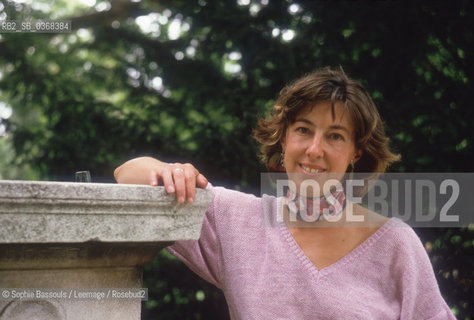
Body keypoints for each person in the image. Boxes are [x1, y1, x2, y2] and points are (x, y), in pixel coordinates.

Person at [114, 68, 456, 319]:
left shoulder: (395, 243)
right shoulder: (236, 220)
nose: (314, 149)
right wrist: (170, 171)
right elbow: (127, 174)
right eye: (304, 130)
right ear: (284, 139)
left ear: (356, 152)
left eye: (335, 136)